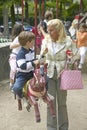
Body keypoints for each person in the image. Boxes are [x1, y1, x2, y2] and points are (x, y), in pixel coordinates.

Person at [40, 19, 79, 130]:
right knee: (50, 103)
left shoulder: (68, 41)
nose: (49, 32)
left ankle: (63, 127)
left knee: (62, 104)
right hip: (49, 74)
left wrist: (69, 63)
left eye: (51, 30)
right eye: (48, 29)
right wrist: (42, 55)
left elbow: (76, 56)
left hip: (63, 75)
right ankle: (51, 128)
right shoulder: (45, 41)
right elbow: (41, 59)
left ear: (59, 30)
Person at [13, 31, 39, 101]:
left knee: (44, 80)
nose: (34, 43)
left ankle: (42, 94)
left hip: (31, 73)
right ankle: (22, 97)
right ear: (28, 43)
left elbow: (35, 59)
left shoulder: (31, 51)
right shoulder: (20, 54)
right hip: (22, 75)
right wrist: (33, 63)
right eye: (33, 41)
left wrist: (40, 59)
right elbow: (23, 66)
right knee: (16, 88)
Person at [9, 23, 23, 90]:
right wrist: (20, 43)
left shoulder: (22, 37)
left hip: (21, 56)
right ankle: (11, 84)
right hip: (14, 56)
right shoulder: (18, 38)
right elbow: (11, 46)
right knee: (14, 69)